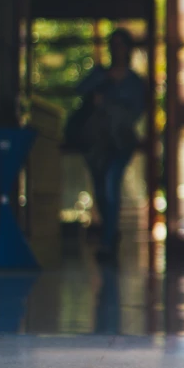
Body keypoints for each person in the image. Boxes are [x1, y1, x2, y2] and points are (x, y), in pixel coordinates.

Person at [75, 28, 146, 259]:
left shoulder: (134, 82)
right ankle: (109, 232)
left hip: (121, 141)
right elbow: (80, 90)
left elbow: (137, 111)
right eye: (113, 44)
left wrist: (112, 107)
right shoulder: (100, 74)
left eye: (121, 44)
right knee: (100, 188)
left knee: (110, 183)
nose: (117, 49)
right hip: (98, 142)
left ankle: (108, 240)